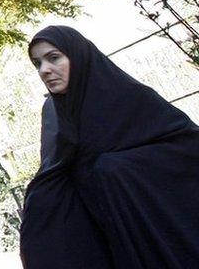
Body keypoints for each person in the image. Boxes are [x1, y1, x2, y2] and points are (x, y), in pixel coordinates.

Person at [20, 25, 199, 268]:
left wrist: (116, 169)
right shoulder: (54, 114)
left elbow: (186, 146)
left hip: (152, 230)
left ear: (78, 56)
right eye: (37, 63)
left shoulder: (128, 96)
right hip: (101, 234)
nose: (44, 70)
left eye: (53, 58)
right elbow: (55, 170)